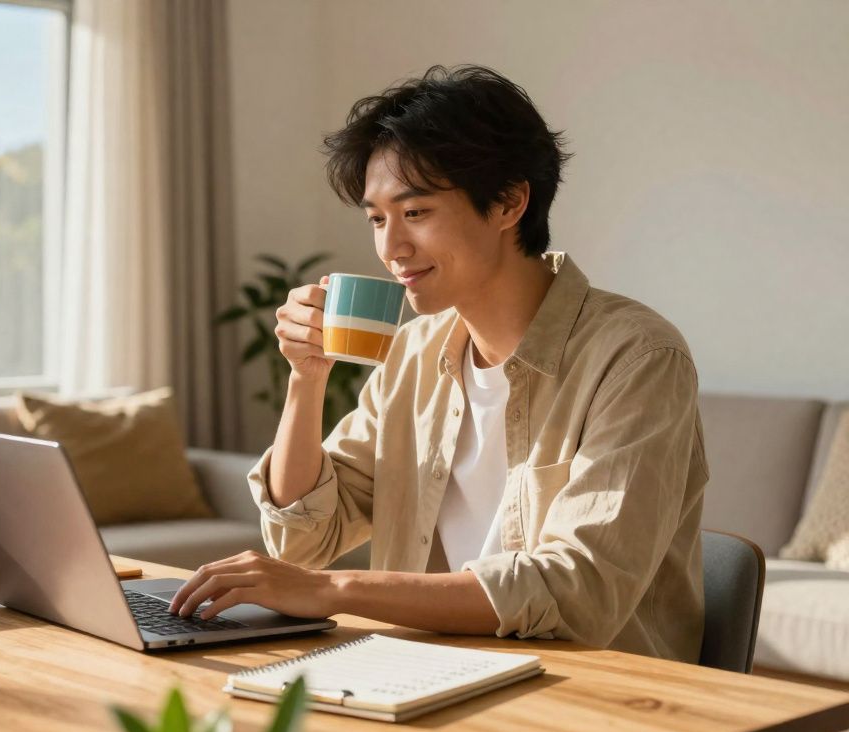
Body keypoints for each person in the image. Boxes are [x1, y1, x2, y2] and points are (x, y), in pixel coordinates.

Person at [168, 65, 708, 663]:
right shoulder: (413, 353)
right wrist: (306, 377)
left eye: (415, 213)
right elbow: (303, 540)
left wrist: (334, 591)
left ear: (508, 202)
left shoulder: (637, 356)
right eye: (377, 218)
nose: (390, 248)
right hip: (426, 672)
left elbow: (577, 590)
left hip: (596, 694)